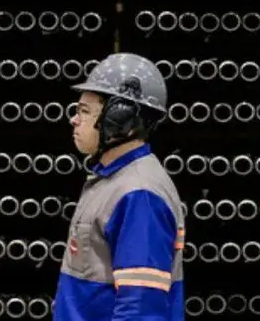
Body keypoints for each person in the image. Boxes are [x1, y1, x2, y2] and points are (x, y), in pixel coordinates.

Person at [53, 53, 185, 321]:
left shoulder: (139, 194)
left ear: (119, 118)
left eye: (85, 111)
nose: (74, 120)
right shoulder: (110, 180)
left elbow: (141, 310)